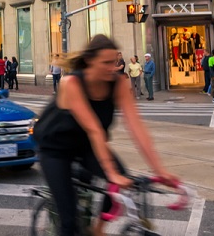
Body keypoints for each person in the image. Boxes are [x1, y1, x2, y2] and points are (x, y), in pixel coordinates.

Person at [33, 35, 180, 236]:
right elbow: (93, 128)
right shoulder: (72, 83)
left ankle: (97, 230)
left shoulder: (118, 83)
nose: (113, 67)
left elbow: (137, 128)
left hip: (86, 146)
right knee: (69, 222)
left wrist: (160, 171)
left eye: (115, 61)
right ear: (90, 61)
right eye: (106, 63)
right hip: (55, 149)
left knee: (121, 181)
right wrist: (111, 173)